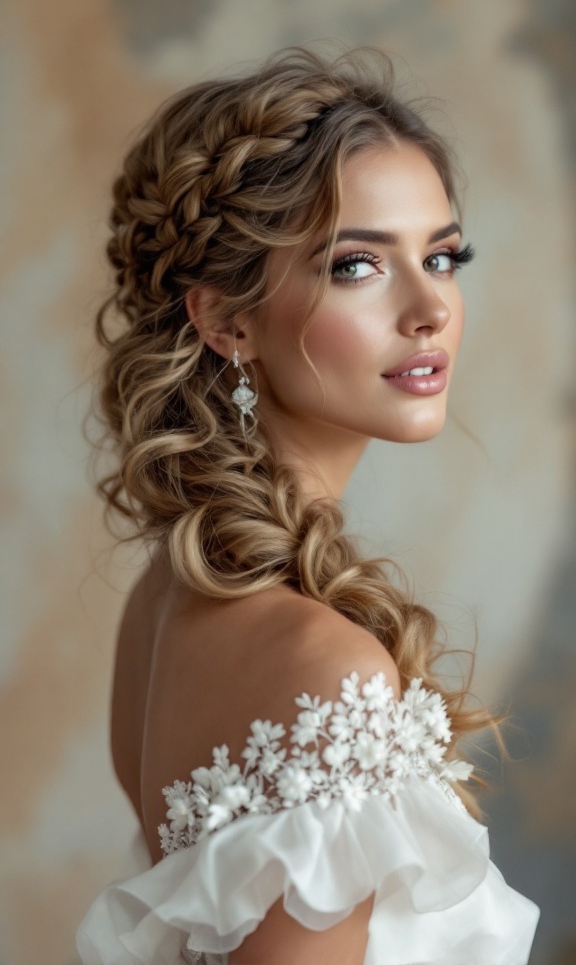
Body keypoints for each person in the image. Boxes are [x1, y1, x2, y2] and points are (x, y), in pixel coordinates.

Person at [77, 48, 539, 965]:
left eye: (442, 256)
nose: (430, 310)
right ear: (226, 322)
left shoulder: (165, 600)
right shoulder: (325, 666)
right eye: (358, 266)